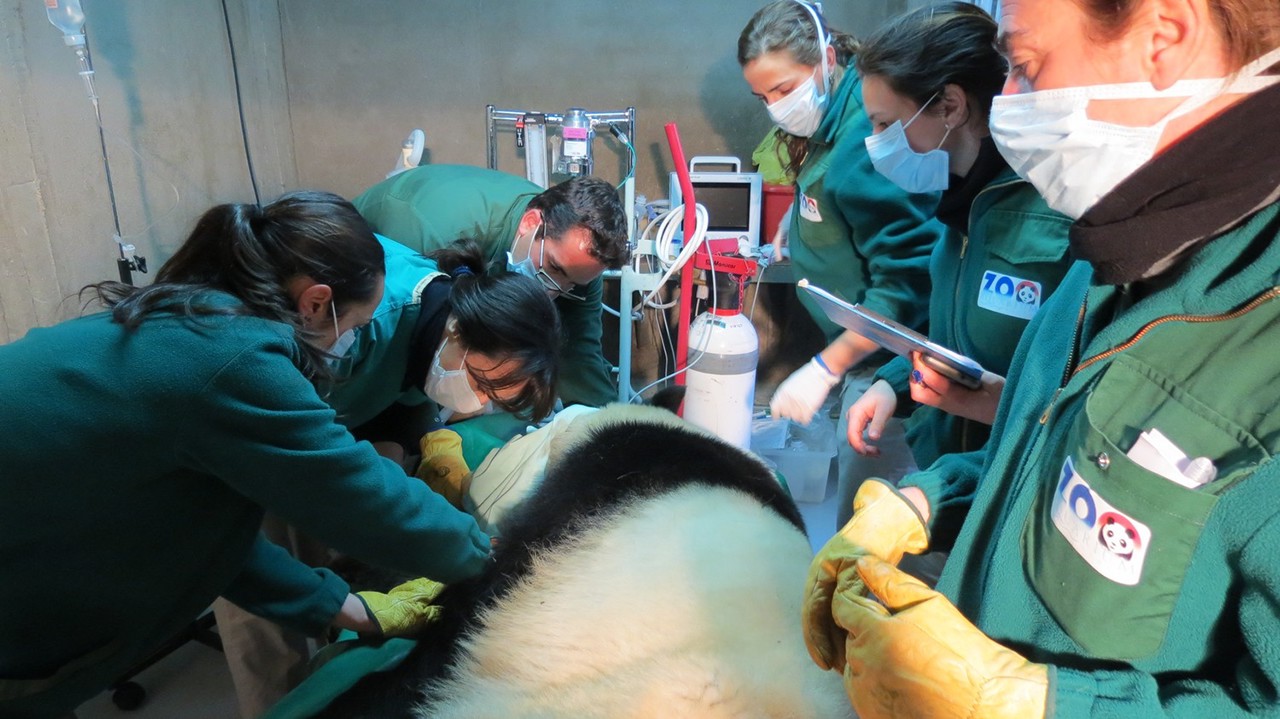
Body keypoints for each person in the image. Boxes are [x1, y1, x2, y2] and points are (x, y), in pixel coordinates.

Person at [802, 0, 1280, 714]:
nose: (1010, 107)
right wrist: (934, 498)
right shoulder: (1108, 263)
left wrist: (1038, 703)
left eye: (1024, 68)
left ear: (1163, 36)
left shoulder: (1253, 338)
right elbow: (1053, 453)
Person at [0, 191, 492, 718]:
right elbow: (361, 498)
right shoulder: (232, 360)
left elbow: (202, 542)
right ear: (315, 302)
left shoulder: (192, 320)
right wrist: (494, 557)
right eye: (352, 327)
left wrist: (351, 610)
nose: (350, 341)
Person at [210, 235, 560, 718]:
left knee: (330, 555)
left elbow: (394, 423)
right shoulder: (362, 320)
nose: (480, 403)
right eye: (483, 386)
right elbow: (321, 462)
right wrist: (463, 549)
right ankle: (286, 704)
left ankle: (325, 652)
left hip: (312, 419)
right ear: (460, 334)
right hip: (238, 435)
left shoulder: (436, 337)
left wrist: (405, 472)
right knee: (262, 596)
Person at [843, 4, 1074, 479]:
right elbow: (956, 345)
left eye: (886, 123)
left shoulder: (1053, 207)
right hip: (943, 468)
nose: (875, 142)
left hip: (1014, 482)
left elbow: (1073, 391)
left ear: (950, 105)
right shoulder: (959, 208)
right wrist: (893, 384)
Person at [739, 0, 944, 528]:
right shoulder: (835, 112)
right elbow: (841, 195)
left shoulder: (866, 135)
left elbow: (905, 280)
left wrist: (824, 369)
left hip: (890, 359)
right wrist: (802, 221)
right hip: (863, 350)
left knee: (872, 526)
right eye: (763, 96)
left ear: (827, 57)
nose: (776, 107)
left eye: (784, 89)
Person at [352, 165, 628, 408]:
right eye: (554, 269)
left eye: (571, 284)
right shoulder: (435, 229)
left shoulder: (579, 267)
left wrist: (610, 427)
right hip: (359, 301)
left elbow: (580, 356)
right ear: (531, 223)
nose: (553, 290)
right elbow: (408, 344)